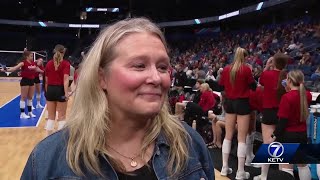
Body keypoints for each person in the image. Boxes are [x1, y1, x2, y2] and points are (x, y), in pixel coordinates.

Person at [21, 17, 214, 180]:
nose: (157, 78)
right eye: (139, 65)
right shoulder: (48, 160)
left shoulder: (190, 144)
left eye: (163, 67)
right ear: (102, 78)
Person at [266, 70, 312, 180]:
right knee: (302, 165)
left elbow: (283, 121)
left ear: (290, 81)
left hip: (288, 135)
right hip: (302, 133)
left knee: (287, 166)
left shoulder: (286, 97)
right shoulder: (307, 95)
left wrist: (273, 136)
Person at [219, 47, 256, 179]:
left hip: (229, 102)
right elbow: (253, 87)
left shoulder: (227, 69)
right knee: (241, 138)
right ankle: (240, 172)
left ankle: (224, 167)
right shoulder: (246, 69)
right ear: (245, 57)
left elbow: (221, 85)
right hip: (243, 103)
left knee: (228, 136)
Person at [254, 53, 288, 180]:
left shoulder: (267, 74)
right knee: (282, 144)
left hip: (268, 112)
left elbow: (261, 82)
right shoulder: (287, 76)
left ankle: (264, 175)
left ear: (273, 62)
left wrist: (267, 66)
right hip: (282, 112)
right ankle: (284, 174)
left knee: (267, 144)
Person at [1, 50, 43, 118]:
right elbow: (14, 68)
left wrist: (44, 72)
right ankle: (22, 114)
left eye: (32, 56)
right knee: (23, 97)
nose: (32, 57)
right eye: (31, 56)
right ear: (26, 56)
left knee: (30, 97)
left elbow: (37, 69)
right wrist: (5, 70)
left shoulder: (33, 63)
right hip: (25, 81)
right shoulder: (23, 63)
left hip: (32, 81)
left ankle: (30, 112)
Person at [44, 44, 70, 136]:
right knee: (61, 117)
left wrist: (47, 92)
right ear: (64, 52)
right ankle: (60, 139)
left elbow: (46, 81)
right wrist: (66, 93)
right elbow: (66, 79)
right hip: (60, 89)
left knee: (51, 117)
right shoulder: (66, 64)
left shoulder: (48, 63)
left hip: (50, 89)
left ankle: (47, 139)